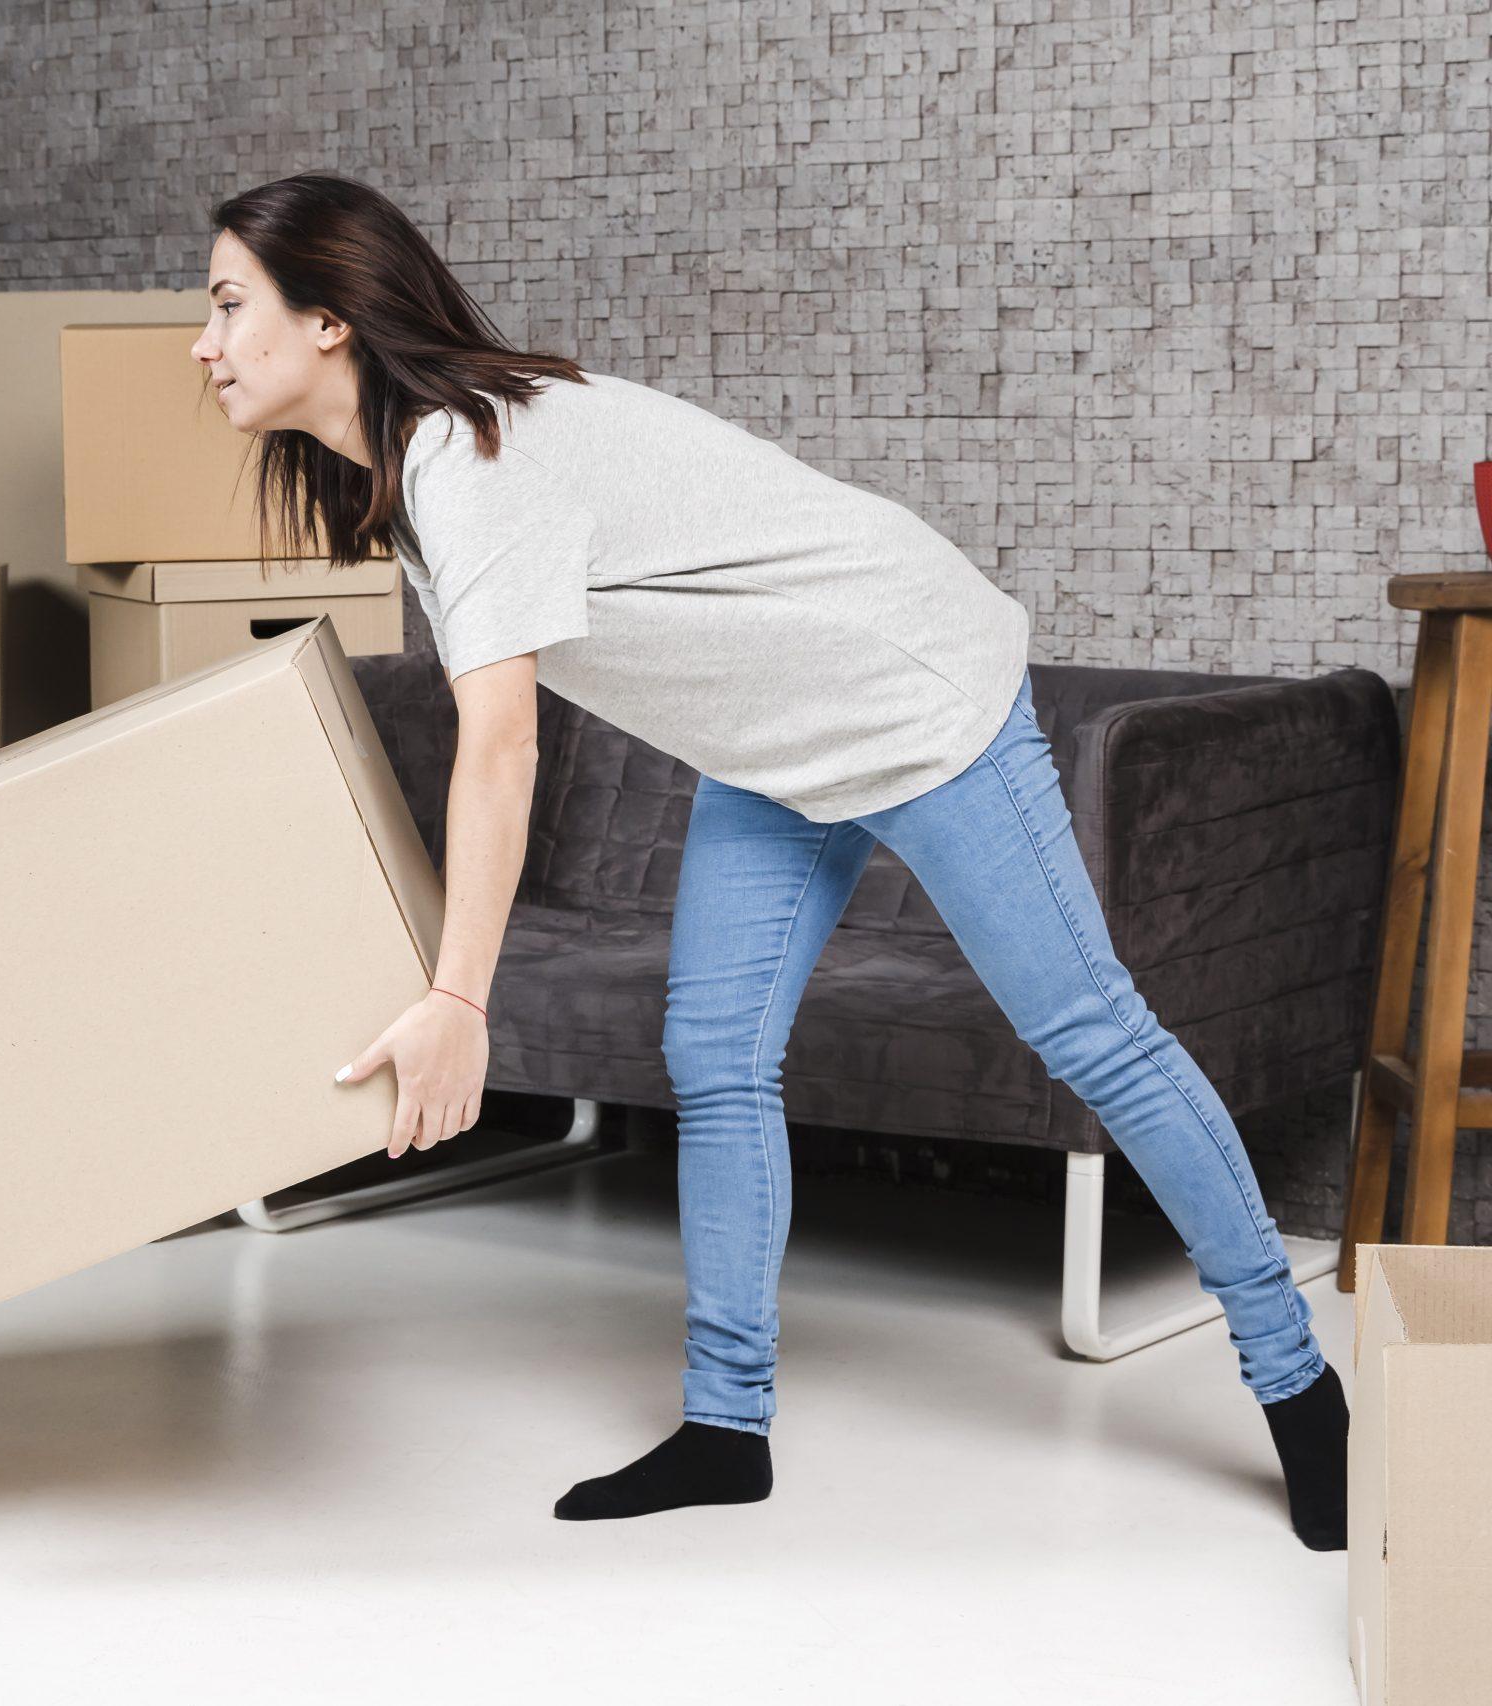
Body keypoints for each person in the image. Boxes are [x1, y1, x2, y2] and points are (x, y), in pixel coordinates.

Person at [194, 173, 1347, 1549]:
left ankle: (1300, 1390)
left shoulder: (468, 462)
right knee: (719, 1052)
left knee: (1092, 1031)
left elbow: (501, 751)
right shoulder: (426, 467)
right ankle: (725, 1424)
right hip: (778, 742)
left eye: (223, 304)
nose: (202, 344)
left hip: (916, 704)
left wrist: (460, 1001)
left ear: (328, 319)